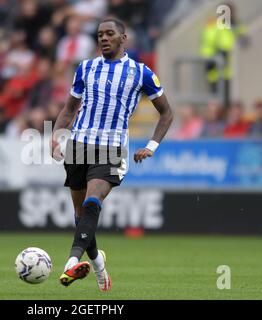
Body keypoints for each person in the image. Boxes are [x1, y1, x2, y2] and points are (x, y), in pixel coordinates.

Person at [50, 18, 173, 291]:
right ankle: (98, 265)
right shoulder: (85, 68)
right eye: (99, 35)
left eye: (109, 34)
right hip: (79, 146)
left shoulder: (141, 72)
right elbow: (69, 109)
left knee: (94, 199)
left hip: (112, 148)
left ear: (123, 38)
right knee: (81, 215)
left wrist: (151, 146)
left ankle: (70, 263)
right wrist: (57, 135)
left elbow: (166, 112)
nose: (103, 38)